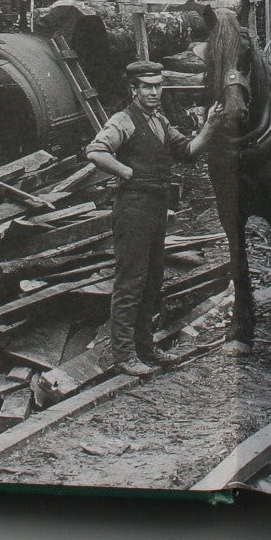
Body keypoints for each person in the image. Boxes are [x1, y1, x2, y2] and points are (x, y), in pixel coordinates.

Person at [85, 61, 221, 376]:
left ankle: (146, 349)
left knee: (152, 283)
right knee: (130, 282)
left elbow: (188, 151)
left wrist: (210, 126)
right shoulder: (124, 120)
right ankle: (123, 355)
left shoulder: (159, 121)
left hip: (156, 210)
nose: (154, 92)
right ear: (133, 90)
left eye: (158, 85)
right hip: (133, 210)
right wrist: (125, 171)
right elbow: (95, 151)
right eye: (147, 86)